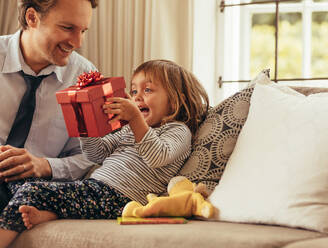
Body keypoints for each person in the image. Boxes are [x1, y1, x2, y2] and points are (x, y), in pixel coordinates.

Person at [0, 59, 209, 247]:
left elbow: (158, 156)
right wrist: (84, 123)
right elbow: (96, 154)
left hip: (121, 198)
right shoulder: (128, 129)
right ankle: (48, 214)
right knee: (19, 182)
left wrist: (135, 119)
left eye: (148, 90)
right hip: (97, 188)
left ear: (174, 100)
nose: (137, 98)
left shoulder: (178, 130)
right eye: (134, 91)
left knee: (32, 192)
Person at [0, 0, 99, 211]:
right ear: (32, 18)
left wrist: (44, 165)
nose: (77, 42)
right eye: (68, 28)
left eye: (83, 31)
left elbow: (91, 155)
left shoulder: (86, 79)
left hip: (32, 190)